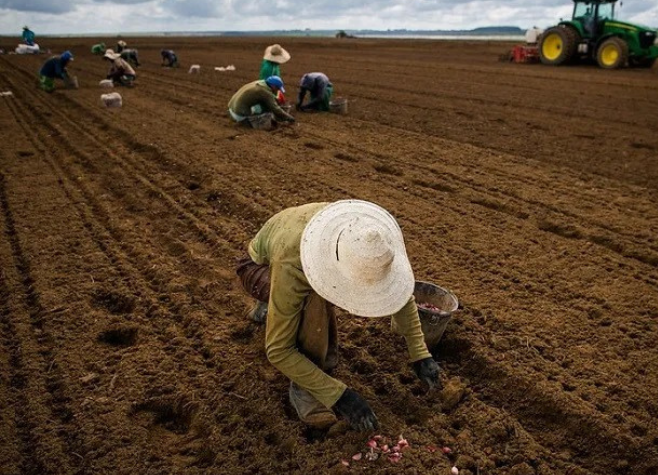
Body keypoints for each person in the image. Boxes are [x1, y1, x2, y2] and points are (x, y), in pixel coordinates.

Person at [236, 200, 440, 430]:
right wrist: (341, 397)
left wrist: (420, 353)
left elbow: (399, 291)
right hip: (257, 267)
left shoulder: (368, 235)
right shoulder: (296, 264)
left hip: (284, 248)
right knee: (313, 303)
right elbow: (278, 350)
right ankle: (304, 388)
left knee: (307, 299)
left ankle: (273, 307)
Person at [228, 76, 295, 127]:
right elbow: (275, 108)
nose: (277, 90)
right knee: (268, 111)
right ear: (273, 86)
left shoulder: (260, 83)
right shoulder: (264, 92)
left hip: (231, 109)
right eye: (277, 88)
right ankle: (247, 122)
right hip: (239, 114)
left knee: (262, 105)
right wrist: (289, 118)